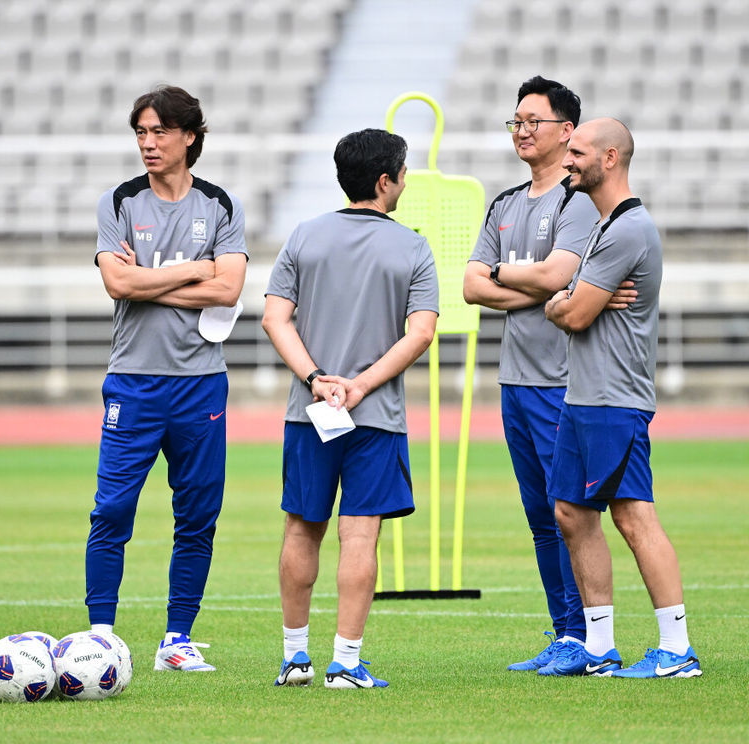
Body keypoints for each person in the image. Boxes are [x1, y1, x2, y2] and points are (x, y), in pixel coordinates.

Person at [262, 128, 438, 689]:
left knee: (300, 530)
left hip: (309, 412)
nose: (405, 182)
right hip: (375, 415)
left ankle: (295, 659)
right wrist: (358, 386)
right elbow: (421, 333)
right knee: (359, 537)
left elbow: (274, 318)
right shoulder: (412, 246)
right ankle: (345, 662)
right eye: (403, 173)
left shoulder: (305, 235)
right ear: (385, 181)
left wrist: (316, 380)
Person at [86, 85, 248, 672]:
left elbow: (229, 291)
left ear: (190, 136)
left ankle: (176, 640)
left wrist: (150, 282)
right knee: (112, 510)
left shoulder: (221, 205)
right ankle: (99, 637)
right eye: (141, 132)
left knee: (198, 516)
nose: (148, 143)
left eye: (159, 131)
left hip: (201, 383)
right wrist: (195, 270)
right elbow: (117, 284)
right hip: (133, 381)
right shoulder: (120, 202)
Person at [542, 117, 701, 678]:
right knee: (571, 512)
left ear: (610, 158)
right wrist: (566, 300)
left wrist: (566, 302)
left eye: (578, 152)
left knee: (633, 517)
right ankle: (599, 646)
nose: (567, 160)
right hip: (584, 397)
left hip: (615, 400)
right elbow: (565, 302)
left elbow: (573, 313)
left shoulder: (629, 229)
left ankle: (677, 649)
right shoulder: (603, 225)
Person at [462, 76, 604, 672]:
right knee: (540, 517)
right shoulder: (503, 204)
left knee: (570, 512)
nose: (521, 130)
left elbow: (557, 276)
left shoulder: (577, 201)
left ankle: (590, 636)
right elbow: (470, 286)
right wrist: (528, 281)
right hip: (515, 381)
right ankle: (566, 633)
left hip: (561, 381)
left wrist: (504, 274)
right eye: (515, 121)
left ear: (567, 131)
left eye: (532, 121)